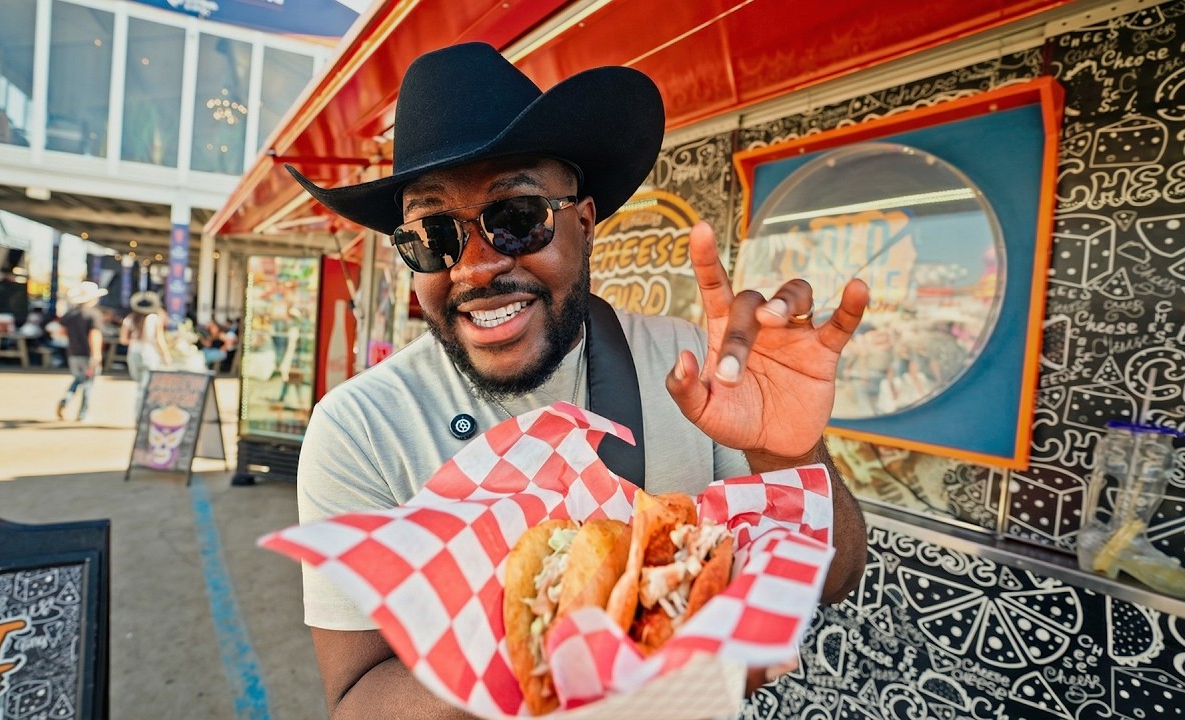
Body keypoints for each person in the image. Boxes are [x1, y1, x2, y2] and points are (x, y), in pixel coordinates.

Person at [287, 42, 871, 719]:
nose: (474, 268)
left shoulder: (690, 366)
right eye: (433, 234)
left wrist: (787, 452)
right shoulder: (361, 428)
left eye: (516, 218)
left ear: (585, 223)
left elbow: (835, 576)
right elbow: (355, 700)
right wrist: (562, 641)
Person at [56, 282, 107, 422]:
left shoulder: (70, 314)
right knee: (88, 384)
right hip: (87, 354)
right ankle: (83, 414)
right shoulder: (93, 314)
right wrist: (96, 354)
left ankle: (66, 398)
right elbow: (94, 335)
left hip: (73, 353)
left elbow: (61, 332)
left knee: (78, 378)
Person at [120, 291, 173, 419]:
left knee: (140, 385)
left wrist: (135, 340)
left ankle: (140, 414)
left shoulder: (129, 319)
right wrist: (166, 355)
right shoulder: (154, 319)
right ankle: (141, 415)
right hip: (149, 354)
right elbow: (159, 340)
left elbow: (123, 340)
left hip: (133, 354)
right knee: (145, 387)